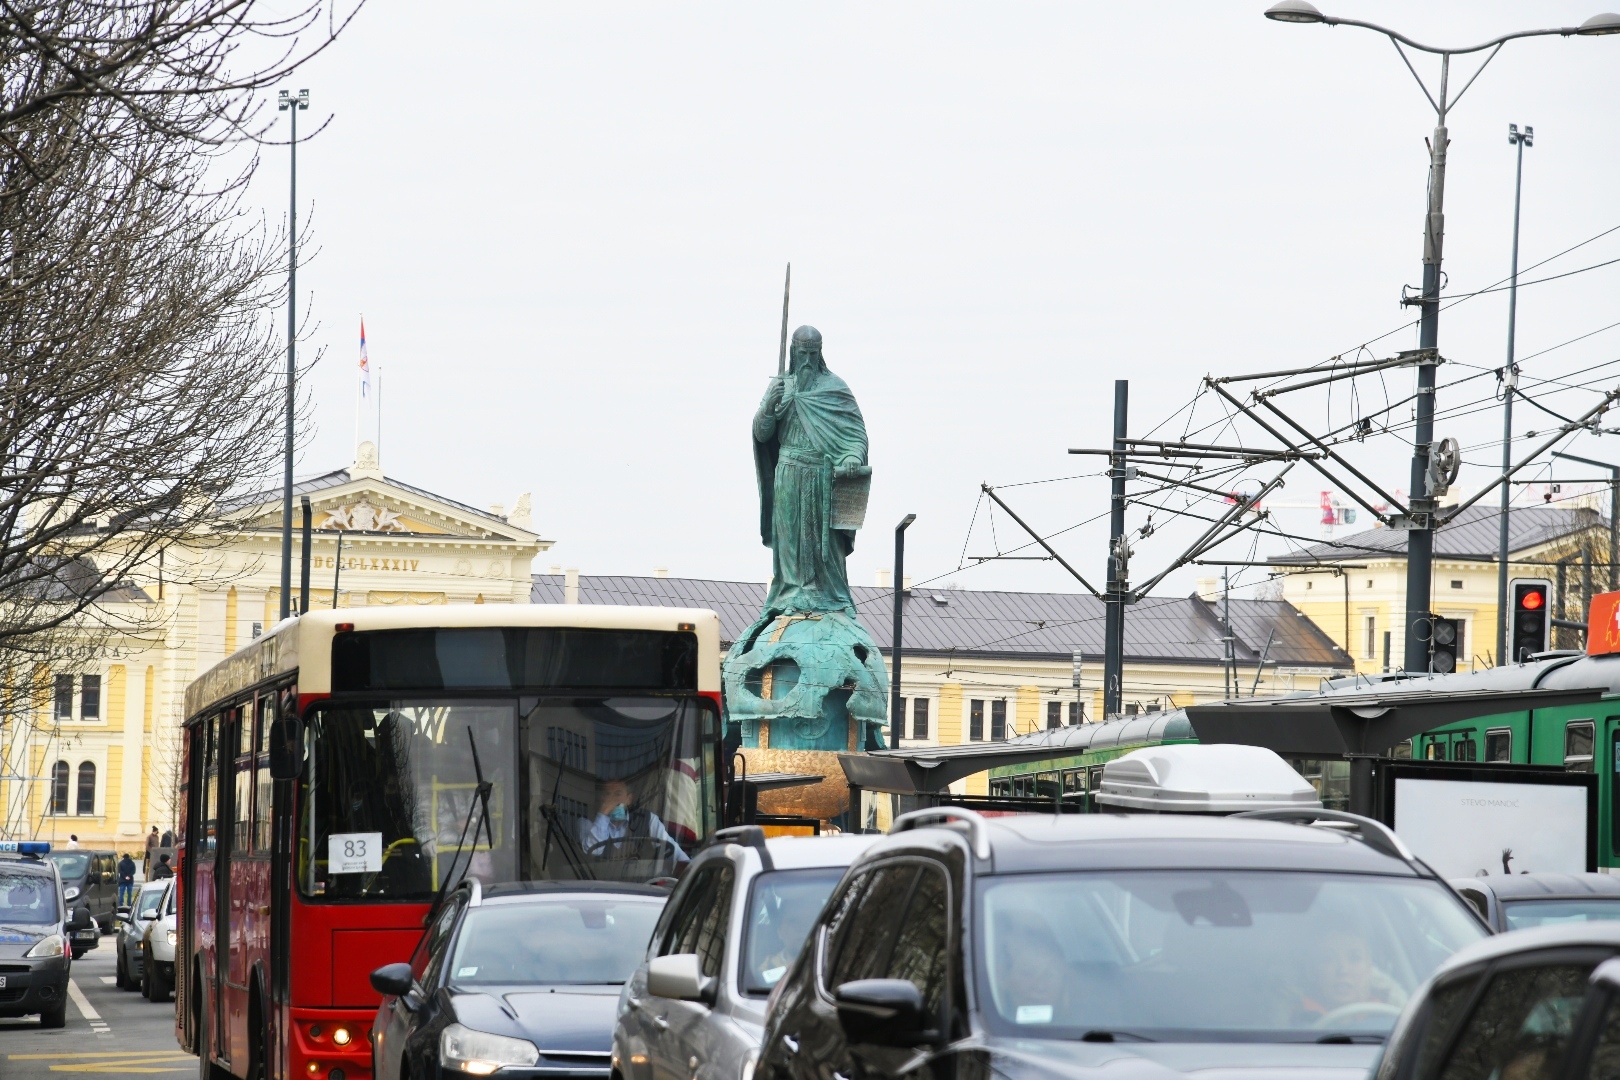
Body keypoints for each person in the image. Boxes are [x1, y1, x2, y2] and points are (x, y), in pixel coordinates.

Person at [1294, 928, 1406, 1024]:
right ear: (1313, 971)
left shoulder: (1395, 1021)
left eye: (1355, 958)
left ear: (1369, 968)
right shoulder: (1296, 1022)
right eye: (1329, 958)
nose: (1343, 970)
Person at [577, 779, 689, 866]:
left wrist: (690, 870)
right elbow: (593, 852)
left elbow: (673, 850)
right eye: (607, 794)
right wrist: (603, 814)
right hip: (601, 886)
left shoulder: (646, 819)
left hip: (639, 885)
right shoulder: (587, 822)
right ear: (602, 798)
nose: (612, 799)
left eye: (617, 794)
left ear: (629, 799)